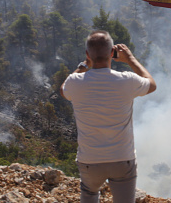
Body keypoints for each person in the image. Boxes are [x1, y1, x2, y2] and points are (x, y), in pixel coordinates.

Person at [60, 30, 157, 203]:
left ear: (88, 54)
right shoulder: (127, 80)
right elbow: (151, 84)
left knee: (89, 194)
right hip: (122, 158)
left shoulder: (74, 82)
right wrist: (130, 59)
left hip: (89, 160)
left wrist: (83, 66)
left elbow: (63, 90)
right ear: (112, 53)